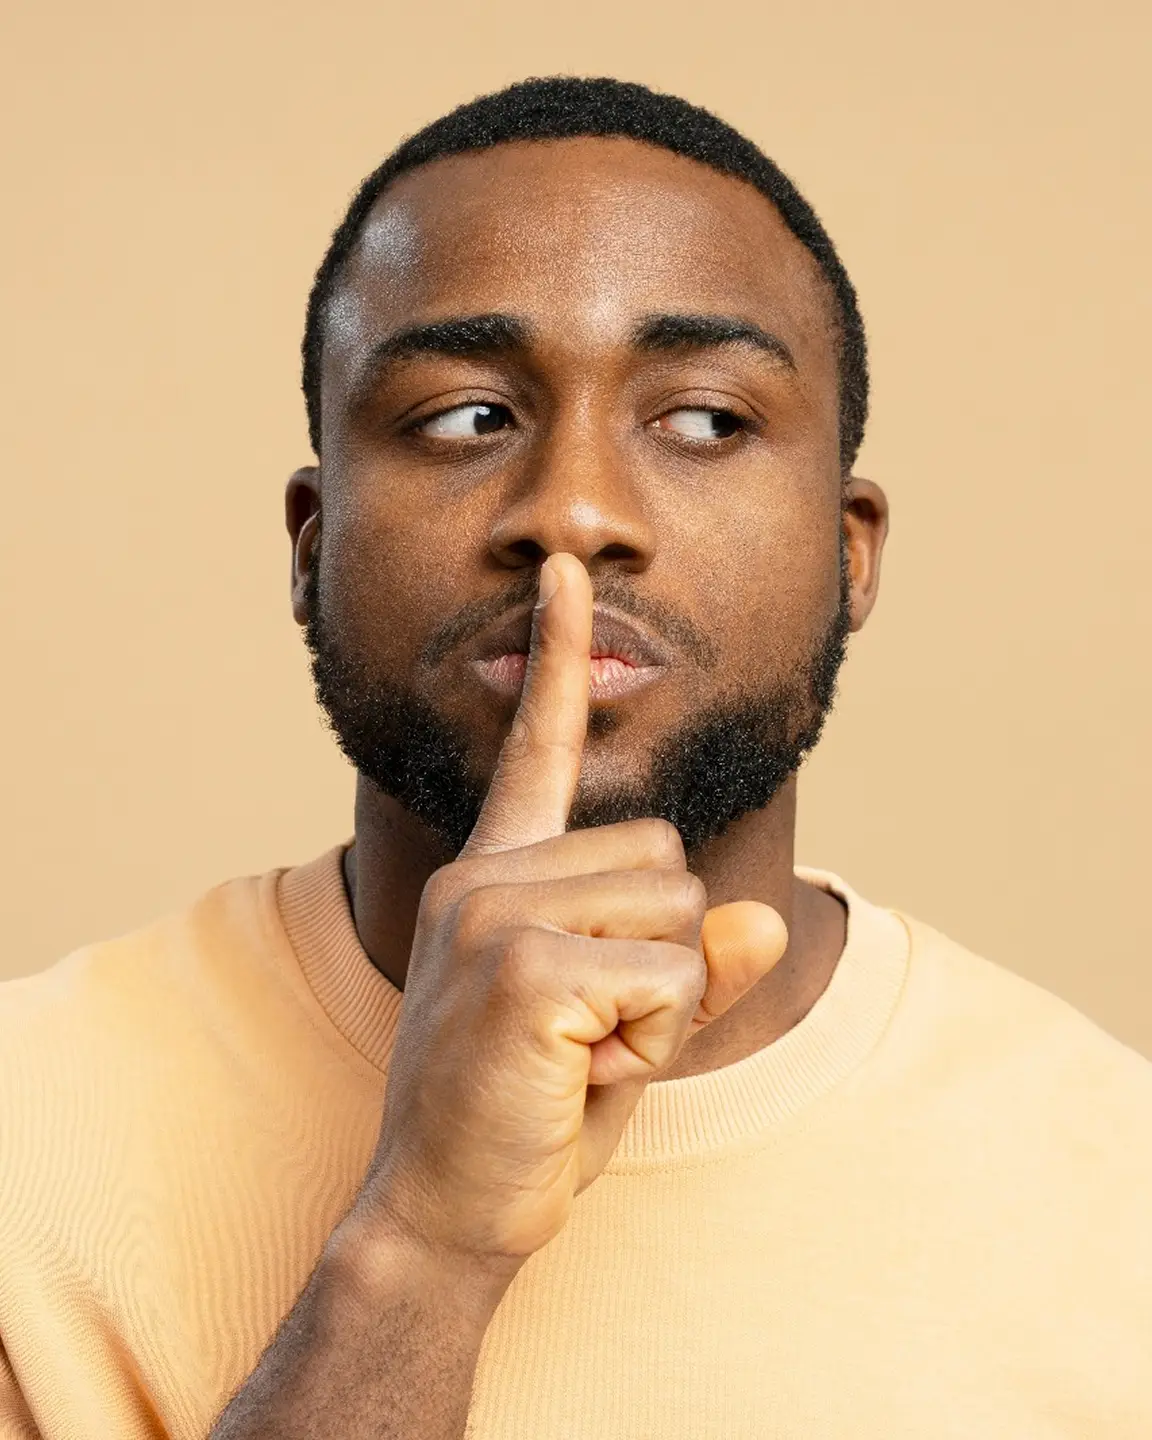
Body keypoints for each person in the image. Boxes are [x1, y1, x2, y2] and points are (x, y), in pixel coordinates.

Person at [1, 74, 1148, 1440]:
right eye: (466, 418)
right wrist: (423, 1245)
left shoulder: (1114, 1189)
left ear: (851, 556)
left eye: (707, 420)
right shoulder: (26, 1141)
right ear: (312, 548)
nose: (574, 511)